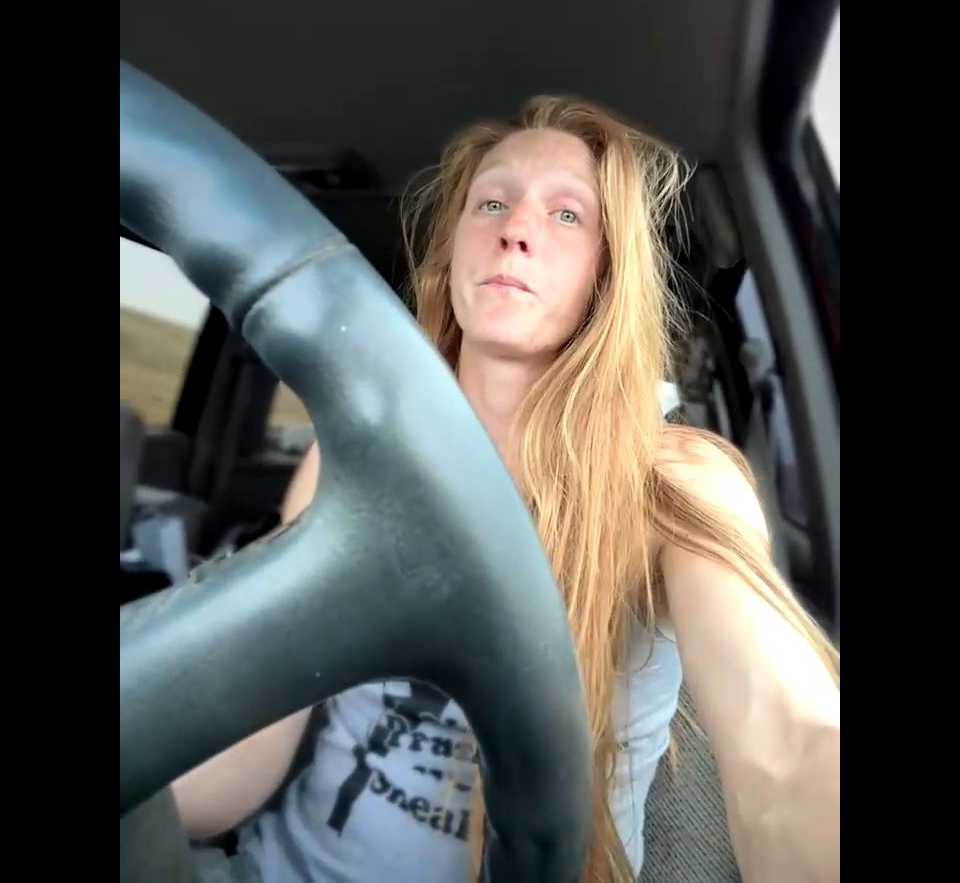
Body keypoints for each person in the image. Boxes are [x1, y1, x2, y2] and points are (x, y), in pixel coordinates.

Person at [174, 96, 840, 883]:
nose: (516, 227)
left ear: (606, 276)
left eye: (568, 215)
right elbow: (254, 735)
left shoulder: (670, 477)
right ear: (452, 250)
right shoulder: (352, 452)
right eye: (490, 202)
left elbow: (786, 746)